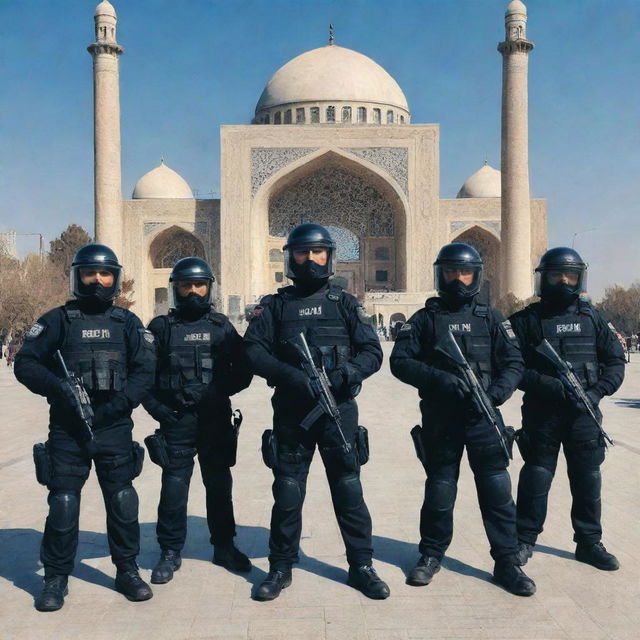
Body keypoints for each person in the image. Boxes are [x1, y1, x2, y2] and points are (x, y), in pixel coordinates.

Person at [244, 223, 389, 601]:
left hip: (338, 410)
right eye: (302, 253)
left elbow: (373, 352)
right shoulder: (275, 306)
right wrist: (291, 377)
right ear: (290, 257)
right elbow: (253, 352)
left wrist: (347, 373)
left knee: (348, 487)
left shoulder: (344, 304)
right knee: (288, 490)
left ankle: (362, 565)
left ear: (329, 257)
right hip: (292, 412)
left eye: (317, 253)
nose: (310, 260)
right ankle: (279, 567)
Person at [14, 244, 156, 611]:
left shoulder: (127, 323)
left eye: (105, 274)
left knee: (123, 501)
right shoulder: (57, 320)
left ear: (115, 278)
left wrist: (119, 406)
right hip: (67, 429)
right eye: (90, 274)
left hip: (114, 427)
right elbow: (26, 364)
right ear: (77, 277)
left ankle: (127, 570)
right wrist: (57, 388)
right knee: (63, 503)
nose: (97, 281)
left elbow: (145, 372)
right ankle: (55, 578)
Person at [390, 243, 536, 596]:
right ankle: (430, 555)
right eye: (451, 272)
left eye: (465, 272)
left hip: (485, 419)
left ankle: (506, 562)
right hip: (441, 419)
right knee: (440, 490)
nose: (458, 279)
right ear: (441, 275)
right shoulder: (425, 319)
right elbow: (400, 362)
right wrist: (440, 380)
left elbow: (514, 364)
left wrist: (496, 393)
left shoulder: (493, 319)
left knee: (497, 491)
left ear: (476, 276)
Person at [509, 247, 625, 570]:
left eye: (569, 276)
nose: (563, 281)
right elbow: (509, 366)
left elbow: (615, 361)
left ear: (579, 279)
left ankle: (589, 542)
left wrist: (597, 392)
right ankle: (524, 540)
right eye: (556, 275)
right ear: (543, 279)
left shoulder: (591, 318)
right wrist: (547, 385)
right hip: (542, 416)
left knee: (588, 479)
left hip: (584, 416)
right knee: (536, 477)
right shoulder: (527, 321)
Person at [142, 257, 252, 584]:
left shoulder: (221, 327)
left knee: (219, 485)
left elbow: (243, 372)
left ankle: (224, 546)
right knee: (174, 487)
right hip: (176, 420)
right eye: (186, 286)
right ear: (176, 288)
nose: (193, 292)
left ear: (208, 288)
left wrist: (216, 393)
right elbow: (143, 377)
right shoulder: (161, 329)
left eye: (199, 285)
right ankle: (170, 551)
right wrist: (160, 410)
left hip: (215, 419)